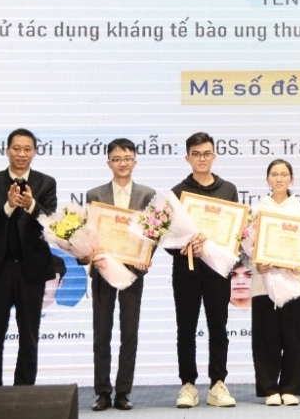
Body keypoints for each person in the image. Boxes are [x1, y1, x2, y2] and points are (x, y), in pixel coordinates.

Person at [0, 128, 57, 386]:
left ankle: (25, 390)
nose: (22, 154)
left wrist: (31, 205)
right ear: (7, 150)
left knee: (29, 333)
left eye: (27, 149)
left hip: (31, 270)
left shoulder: (46, 183)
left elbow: (51, 221)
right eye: (17, 148)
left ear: (35, 152)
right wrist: (8, 206)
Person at [168, 132, 239, 408]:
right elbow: (167, 237)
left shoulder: (228, 189)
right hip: (185, 271)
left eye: (206, 153)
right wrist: (185, 246)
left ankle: (218, 383)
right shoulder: (177, 193)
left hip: (217, 271)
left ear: (214, 156)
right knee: (186, 328)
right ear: (187, 157)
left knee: (218, 328)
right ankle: (188, 385)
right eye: (196, 154)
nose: (202, 159)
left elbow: (235, 234)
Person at [85, 138, 157, 411]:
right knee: (101, 333)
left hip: (133, 271)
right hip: (103, 269)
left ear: (134, 162)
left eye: (127, 158)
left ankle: (123, 392)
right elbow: (89, 232)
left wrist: (146, 256)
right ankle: (102, 392)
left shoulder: (147, 194)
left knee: (129, 332)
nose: (122, 163)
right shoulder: (95, 194)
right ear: (109, 163)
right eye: (117, 159)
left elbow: (155, 232)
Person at [251, 159, 300, 407]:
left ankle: (290, 388)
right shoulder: (256, 210)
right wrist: (256, 262)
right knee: (266, 339)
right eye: (274, 174)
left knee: (294, 338)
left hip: (293, 281)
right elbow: (246, 245)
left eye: (283, 174)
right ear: (267, 179)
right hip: (263, 283)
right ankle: (269, 389)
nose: (278, 178)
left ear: (291, 179)